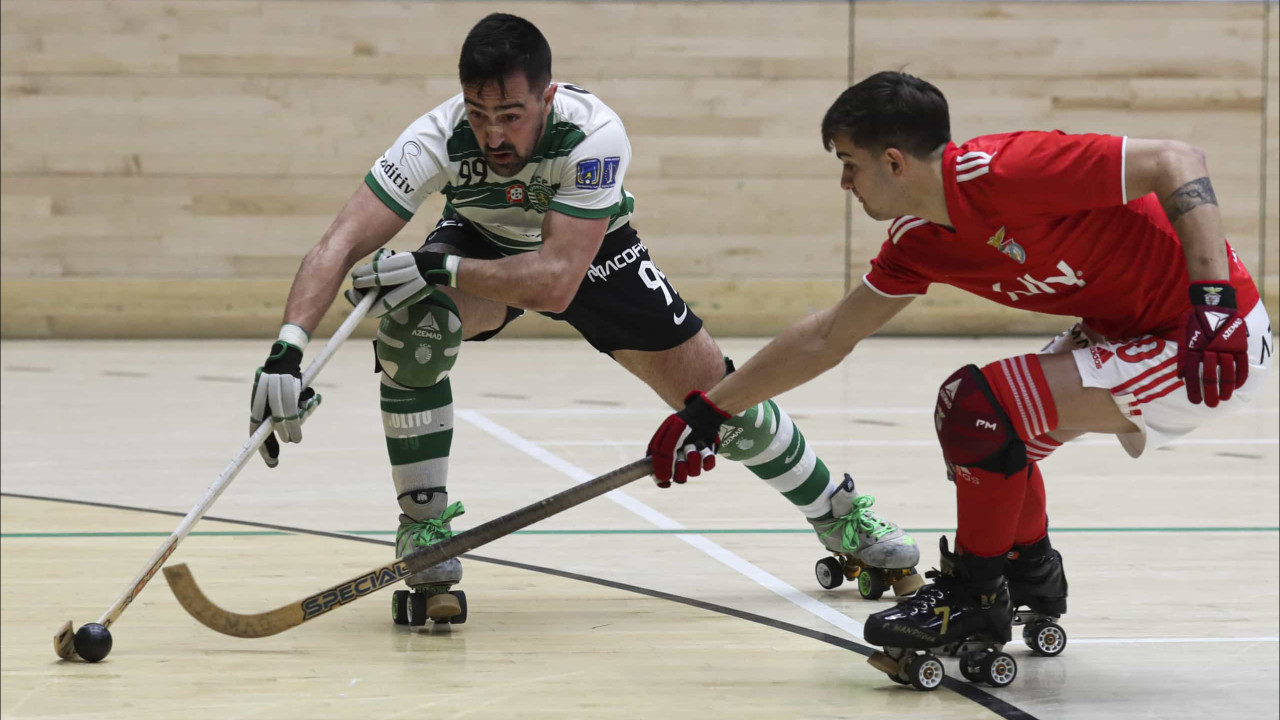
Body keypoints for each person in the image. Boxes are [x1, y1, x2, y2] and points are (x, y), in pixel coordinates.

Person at [246, 15, 921, 625]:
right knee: (411, 327)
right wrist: (287, 351)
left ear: (546, 96)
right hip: (481, 243)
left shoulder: (593, 133)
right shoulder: (436, 135)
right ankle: (424, 529)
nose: (493, 133)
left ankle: (837, 512)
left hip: (591, 256)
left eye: (511, 114)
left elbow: (556, 279)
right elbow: (339, 241)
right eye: (480, 115)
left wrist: (434, 268)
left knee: (716, 399)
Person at [645, 70, 1272, 688]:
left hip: (1210, 339)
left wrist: (1211, 300)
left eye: (848, 164)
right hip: (1127, 333)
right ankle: (1030, 570)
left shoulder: (1008, 171)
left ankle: (973, 594)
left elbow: (1176, 160)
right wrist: (709, 411)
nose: (844, 182)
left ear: (894, 163)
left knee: (981, 404)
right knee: (982, 429)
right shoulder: (919, 240)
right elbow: (828, 335)